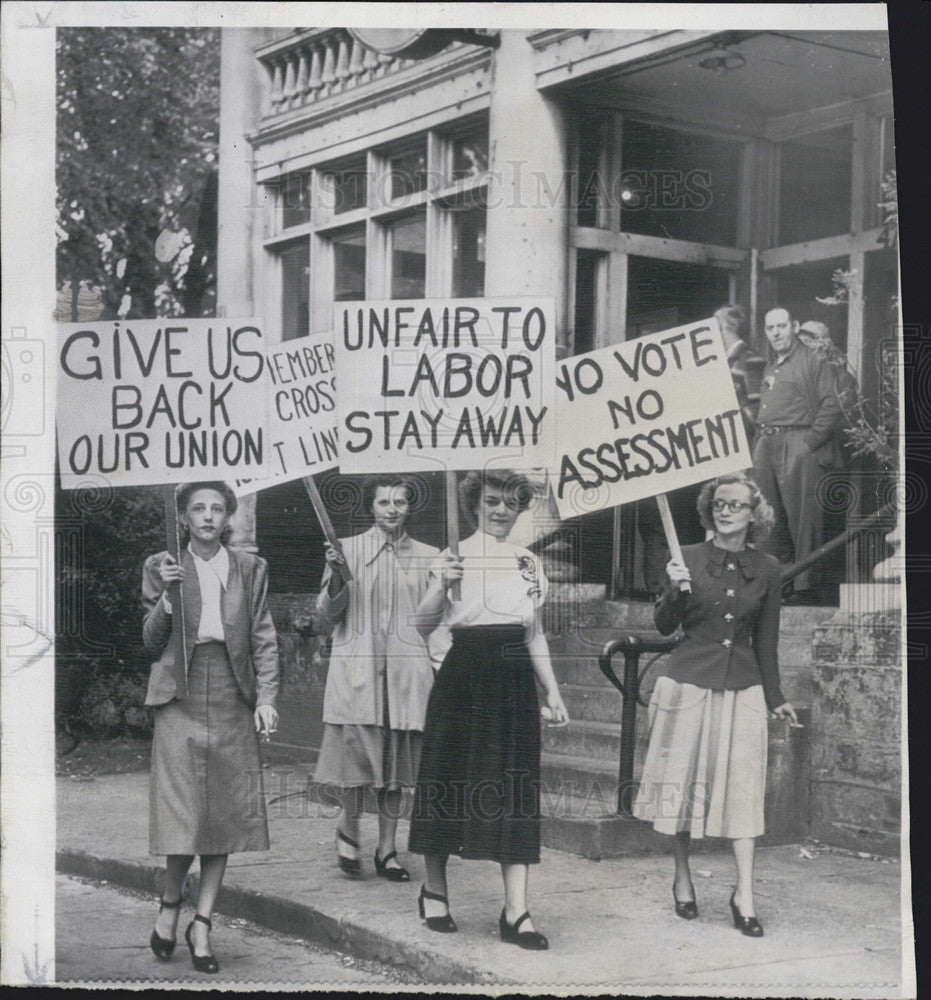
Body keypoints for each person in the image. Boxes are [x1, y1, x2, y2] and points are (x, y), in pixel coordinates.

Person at [408, 469, 570, 950]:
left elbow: (533, 632)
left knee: (515, 784)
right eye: (492, 501)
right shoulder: (452, 555)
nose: (501, 511)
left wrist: (553, 691)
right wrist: (440, 585)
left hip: (514, 677)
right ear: (474, 504)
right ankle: (435, 888)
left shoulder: (527, 563)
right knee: (447, 775)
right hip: (464, 674)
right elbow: (420, 625)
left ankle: (516, 910)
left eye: (511, 504)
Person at [632, 473, 798, 937]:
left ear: (753, 514)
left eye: (736, 505)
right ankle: (682, 877)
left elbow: (766, 641)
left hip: (742, 689)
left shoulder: (767, 567)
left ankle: (744, 894)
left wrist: (776, 697)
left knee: (743, 789)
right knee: (684, 786)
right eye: (719, 504)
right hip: (687, 685)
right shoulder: (684, 557)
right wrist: (674, 590)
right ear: (710, 510)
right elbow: (666, 627)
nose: (726, 511)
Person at [143, 481, 279, 974]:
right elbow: (149, 639)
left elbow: (263, 635)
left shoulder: (249, 567)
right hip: (178, 692)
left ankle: (202, 922)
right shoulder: (163, 565)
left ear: (228, 518)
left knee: (223, 812)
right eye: (197, 508)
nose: (207, 516)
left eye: (216, 508)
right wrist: (168, 602)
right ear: (183, 517)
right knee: (183, 814)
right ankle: (169, 905)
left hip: (230, 692)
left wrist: (266, 698)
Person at [313, 476, 438, 882]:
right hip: (359, 668)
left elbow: (433, 619)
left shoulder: (429, 556)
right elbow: (327, 616)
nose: (391, 509)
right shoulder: (345, 550)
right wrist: (336, 576)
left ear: (409, 507)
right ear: (371, 506)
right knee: (356, 760)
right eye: (383, 501)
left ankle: (388, 848)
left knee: (396, 768)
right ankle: (349, 829)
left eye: (400, 501)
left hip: (405, 672)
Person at [752, 306, 843, 597]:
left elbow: (832, 402)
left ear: (795, 325)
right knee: (768, 518)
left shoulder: (812, 360)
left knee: (802, 519)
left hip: (798, 443)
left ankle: (805, 588)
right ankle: (778, 585)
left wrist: (810, 442)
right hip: (767, 444)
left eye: (781, 326)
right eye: (770, 328)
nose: (776, 333)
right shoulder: (771, 365)